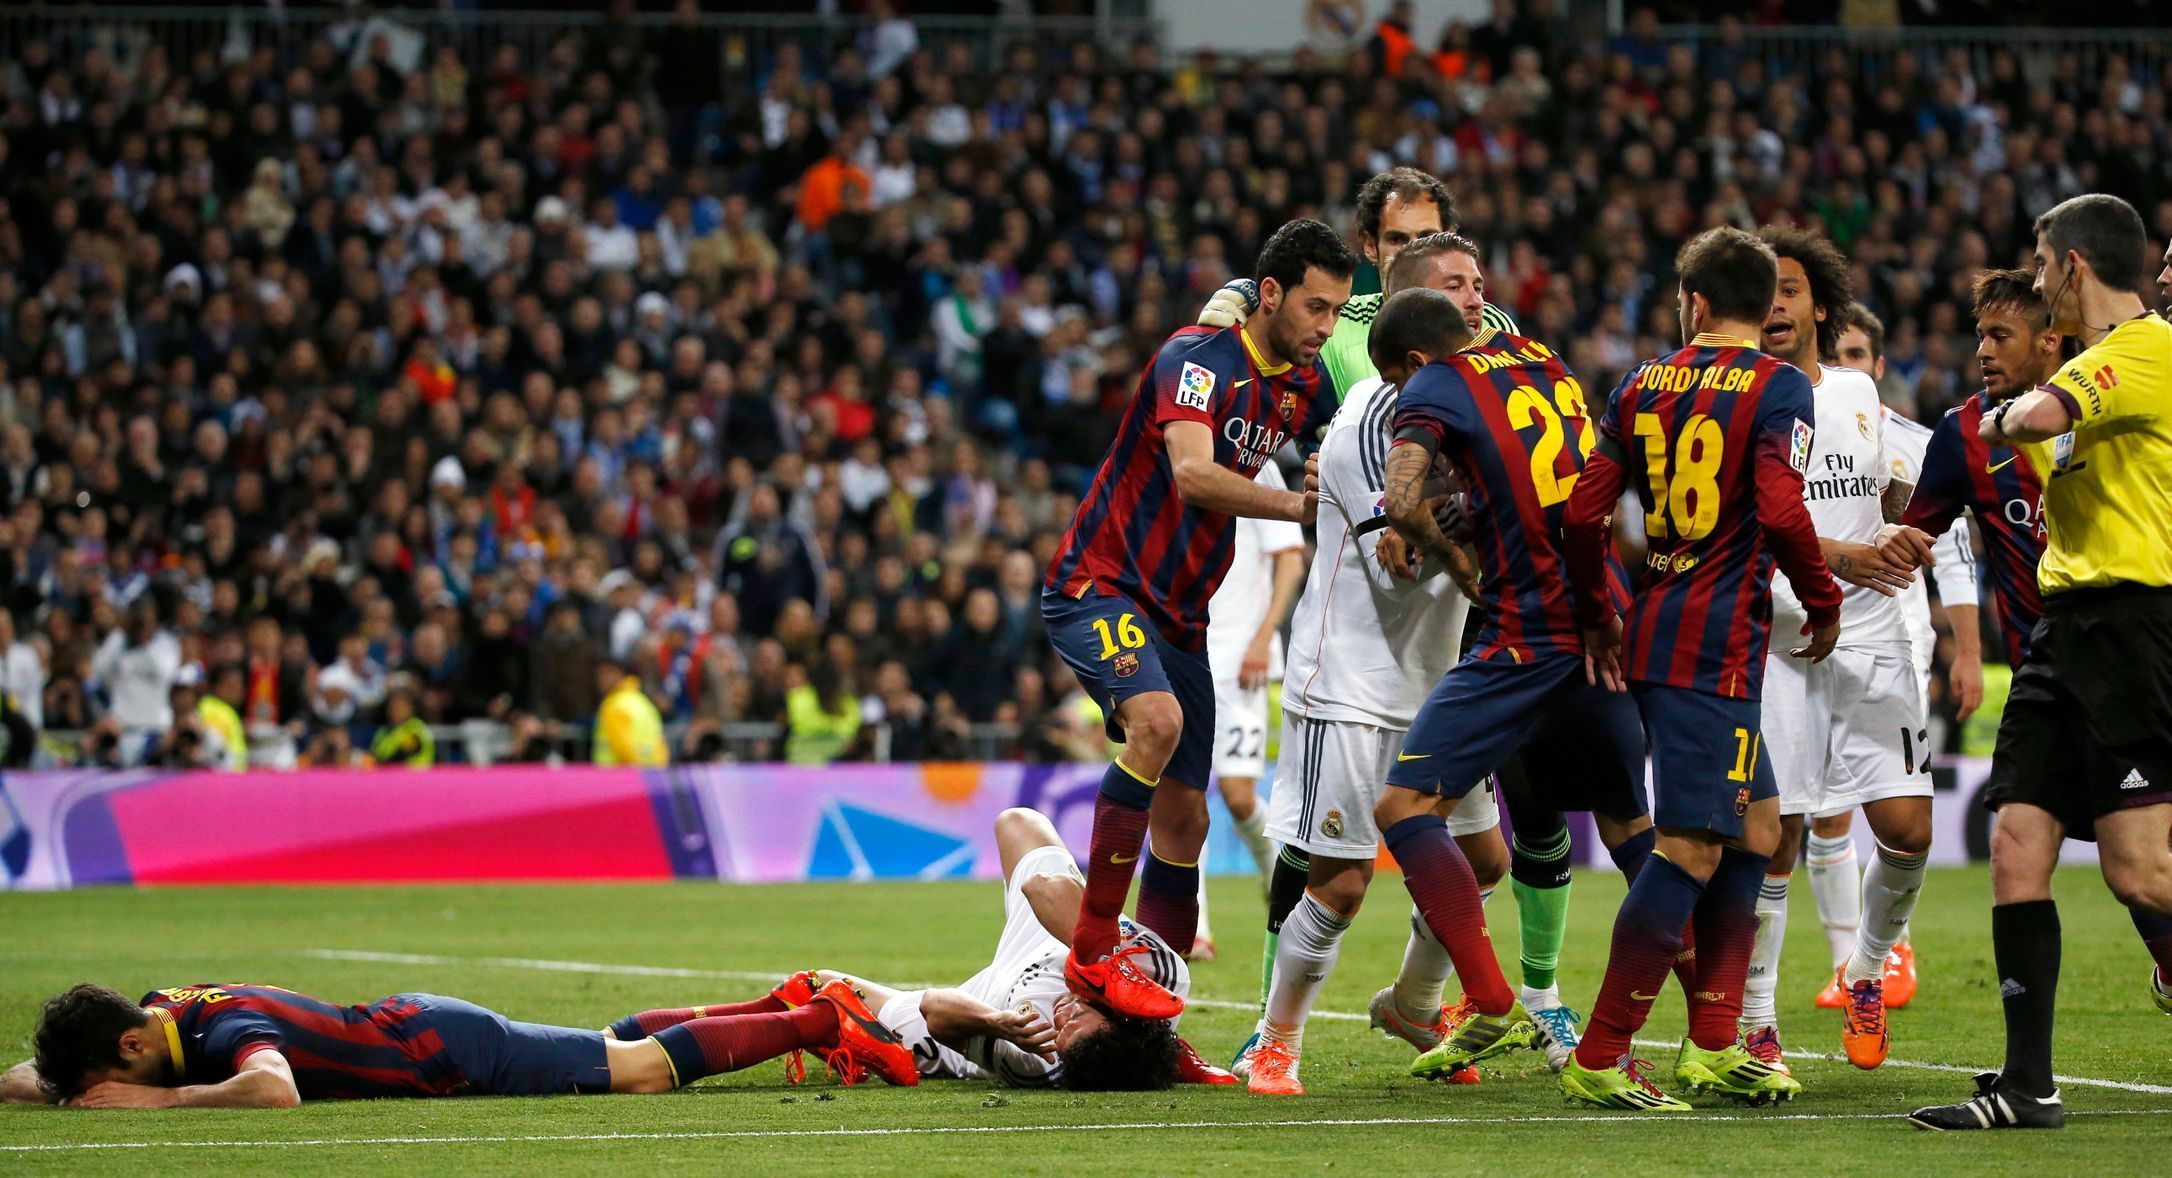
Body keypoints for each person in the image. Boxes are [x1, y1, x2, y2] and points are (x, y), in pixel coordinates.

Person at [1041, 218, 1352, 1020]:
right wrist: (1300, 505)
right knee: (1156, 722)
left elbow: (1361, 395)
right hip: (1101, 583)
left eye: (1336, 311)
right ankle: (1092, 953)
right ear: (1271, 294)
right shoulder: (1194, 359)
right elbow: (1191, 473)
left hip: (1182, 617)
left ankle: (1157, 1011)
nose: (1325, 327)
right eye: (1314, 307)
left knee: (1186, 816)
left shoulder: (1304, 381)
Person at [1560, 226, 1840, 1112]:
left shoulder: (1642, 382)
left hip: (1661, 622)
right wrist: (1824, 598)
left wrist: (1598, 610)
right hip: (1712, 643)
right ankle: (1602, 1054)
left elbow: (1583, 512)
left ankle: (1714, 1043)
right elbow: (1779, 506)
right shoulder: (1781, 384)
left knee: (1758, 830)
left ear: (1695, 302)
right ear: (1766, 308)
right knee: (1689, 845)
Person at [1907, 196, 2172, 1131]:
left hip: (2136, 625)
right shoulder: (2110, 356)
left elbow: (2033, 417)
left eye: (2039, 259)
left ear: (2068, 266)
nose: (2037, 275)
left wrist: (1993, 418)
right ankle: (2028, 1087)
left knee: (2140, 873)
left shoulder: (2141, 350)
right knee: (2018, 844)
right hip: (2068, 627)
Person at [1358, 284, 1648, 1085]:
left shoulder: (1431, 385)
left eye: (1396, 382)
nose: (1400, 395)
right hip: (1605, 615)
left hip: (1530, 627)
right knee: (1637, 832)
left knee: (1406, 807)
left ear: (1414, 363)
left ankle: (1489, 1000)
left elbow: (1399, 499)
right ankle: (1728, 1031)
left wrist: (1462, 565)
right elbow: (1575, 481)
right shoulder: (1542, 361)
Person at [1235, 241, 1503, 1095]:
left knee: (1486, 862)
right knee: (1343, 881)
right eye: (1455, 292)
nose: (1477, 305)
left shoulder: (1475, 407)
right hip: (1350, 681)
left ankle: (1414, 1002)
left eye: (1477, 287)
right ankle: (1275, 1041)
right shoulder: (1368, 425)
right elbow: (1405, 551)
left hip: (1440, 682)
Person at [1738, 226, 1937, 1074]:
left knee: (1909, 830)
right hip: (1783, 636)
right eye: (1761, 293)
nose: (1775, 306)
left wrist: (1905, 531)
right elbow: (1751, 525)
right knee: (1774, 836)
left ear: (1821, 304)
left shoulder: (1858, 392)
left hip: (1873, 632)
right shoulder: (1738, 400)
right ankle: (1756, 1021)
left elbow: (1893, 489)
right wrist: (1846, 555)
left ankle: (1864, 972)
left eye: (1788, 290)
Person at [4, 974, 922, 1107]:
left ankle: (820, 1018)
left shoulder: (221, 1033)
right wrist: (44, 1088)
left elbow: (274, 1089)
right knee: (606, 1041)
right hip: (419, 1024)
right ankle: (790, 1001)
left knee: (637, 1074)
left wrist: (163, 1101)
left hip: (440, 1054)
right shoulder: (162, 1009)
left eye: (97, 1082)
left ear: (129, 1053)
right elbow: (37, 1076)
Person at [1812, 302, 1976, 1012]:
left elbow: (1955, 550)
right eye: (1835, 354)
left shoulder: (1906, 439)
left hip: (1890, 641)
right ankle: (1846, 965)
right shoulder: (1788, 429)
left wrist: (1963, 650)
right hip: (1802, 641)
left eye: (1856, 356)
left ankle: (1880, 953)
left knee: (1899, 824)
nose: (1843, 369)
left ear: (1876, 368)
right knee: (1818, 819)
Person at [840, 808, 1227, 1090]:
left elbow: (935, 1010)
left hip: (982, 1003)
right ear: (1122, 1021)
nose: (1061, 1018)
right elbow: (1041, 886)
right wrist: (1098, 962)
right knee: (1017, 821)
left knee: (824, 990)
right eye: (1076, 1021)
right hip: (1046, 941)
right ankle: (1177, 1055)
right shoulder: (1161, 977)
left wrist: (995, 1022)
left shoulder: (1039, 1059)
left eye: (1062, 1035)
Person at [1191, 459, 1306, 960]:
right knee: (1183, 794)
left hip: (1241, 658)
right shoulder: (1178, 461)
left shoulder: (1257, 467)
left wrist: (1265, 637)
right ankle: (1195, 929)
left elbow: (1289, 558)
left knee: (1239, 797)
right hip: (1186, 653)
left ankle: (1275, 875)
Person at [592, 657, 668, 767]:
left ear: (618, 674)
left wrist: (634, 772)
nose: (600, 680)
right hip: (650, 775)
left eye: (605, 674)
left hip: (618, 777)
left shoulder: (614, 705)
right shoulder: (642, 701)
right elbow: (660, 742)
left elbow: (624, 748)